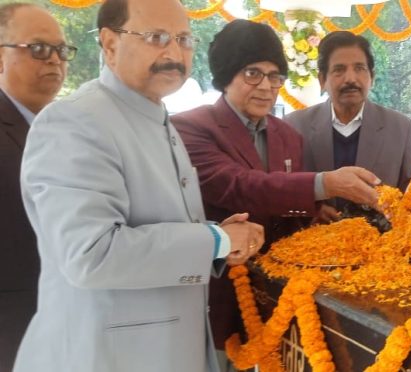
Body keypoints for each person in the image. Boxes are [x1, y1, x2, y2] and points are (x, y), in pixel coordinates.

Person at [13, 0, 264, 371]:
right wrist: (216, 241)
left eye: (183, 39)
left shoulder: (156, 117)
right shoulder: (76, 120)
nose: (174, 53)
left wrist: (215, 243)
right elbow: (92, 254)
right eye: (156, 37)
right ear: (110, 44)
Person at [171, 20, 381, 371]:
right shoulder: (191, 128)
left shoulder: (288, 136)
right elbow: (237, 186)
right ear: (226, 76)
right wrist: (324, 184)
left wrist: (316, 215)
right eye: (253, 73)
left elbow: (282, 214)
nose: (267, 87)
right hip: (218, 298)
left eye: (275, 76)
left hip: (279, 302)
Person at [0, 4, 73, 370]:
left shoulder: (70, 131)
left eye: (62, 51)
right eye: (39, 49)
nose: (55, 61)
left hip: (69, 326)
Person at [284, 31, 411, 219]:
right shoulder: (293, 126)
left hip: (379, 243)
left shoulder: (400, 129)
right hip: (311, 241)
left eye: (359, 68)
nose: (350, 79)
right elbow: (280, 192)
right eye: (339, 70)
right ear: (322, 80)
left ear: (371, 76)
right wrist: (310, 209)